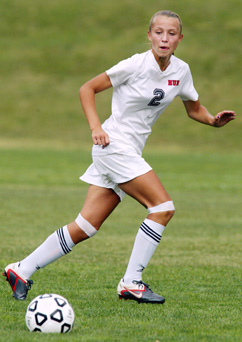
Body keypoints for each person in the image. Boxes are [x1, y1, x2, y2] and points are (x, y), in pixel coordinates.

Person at [3, 10, 235, 304]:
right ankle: (131, 282)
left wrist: (213, 121)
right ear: (149, 35)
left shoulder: (181, 71)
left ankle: (21, 269)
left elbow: (193, 108)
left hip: (126, 151)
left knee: (86, 226)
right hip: (114, 146)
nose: (165, 38)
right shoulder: (134, 65)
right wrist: (95, 127)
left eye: (171, 33)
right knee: (162, 207)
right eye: (159, 32)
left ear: (180, 38)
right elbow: (87, 89)